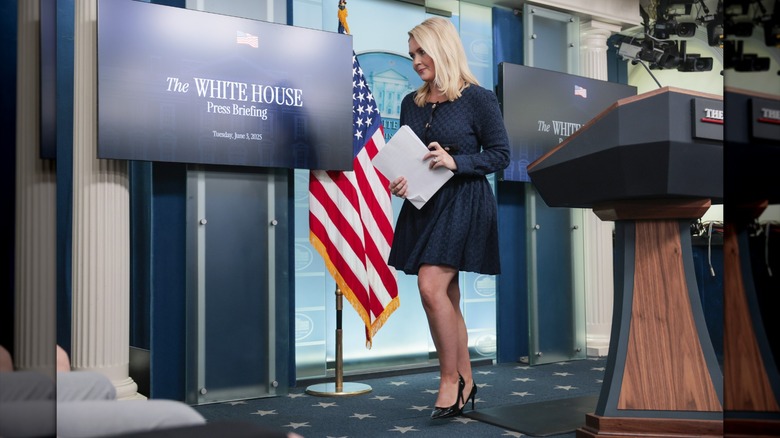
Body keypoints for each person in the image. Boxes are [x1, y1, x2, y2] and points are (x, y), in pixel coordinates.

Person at [387, 17, 510, 420]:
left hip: (463, 199)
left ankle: (448, 380)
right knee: (447, 296)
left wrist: (454, 160)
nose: (416, 61)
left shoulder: (478, 98)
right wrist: (399, 183)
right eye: (412, 55)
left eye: (422, 52)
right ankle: (468, 380)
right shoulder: (411, 102)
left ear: (442, 48)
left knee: (430, 285)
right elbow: (408, 158)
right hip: (423, 203)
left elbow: (500, 156)